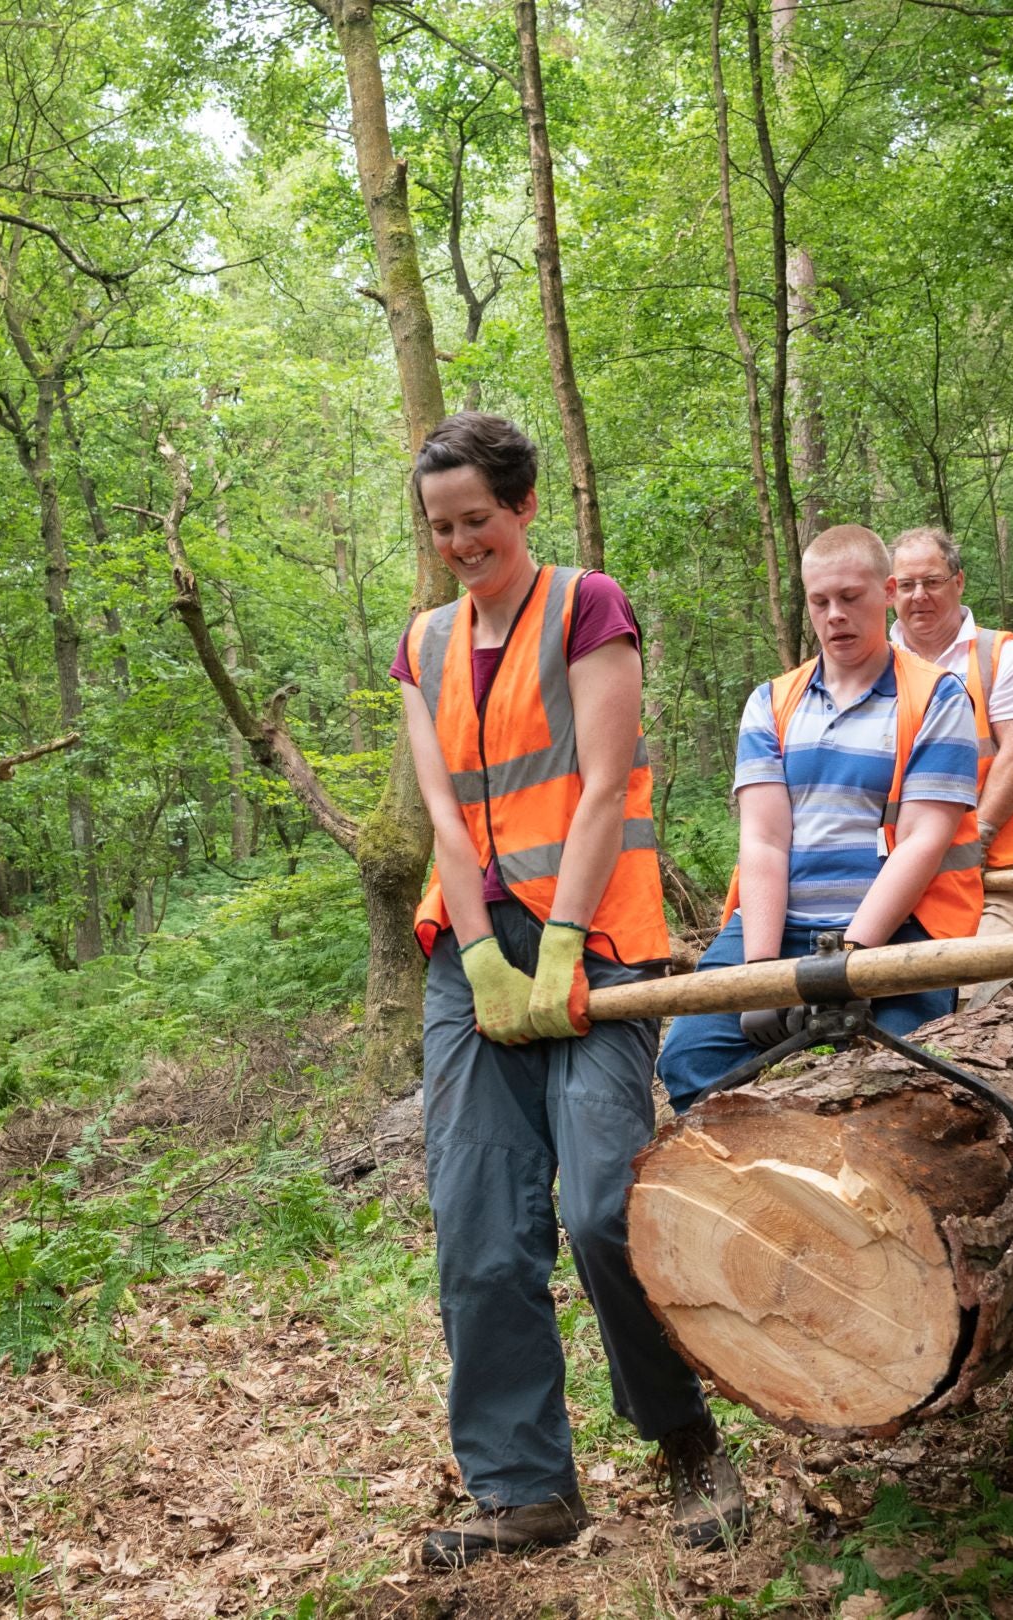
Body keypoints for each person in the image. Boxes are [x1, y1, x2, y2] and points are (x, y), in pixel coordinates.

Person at [390, 412, 747, 1567]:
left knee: (603, 1207)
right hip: (473, 959)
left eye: (478, 520)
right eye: (442, 527)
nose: (459, 543)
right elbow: (444, 813)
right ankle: (524, 1488)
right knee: (481, 1230)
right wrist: (484, 958)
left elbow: (602, 785)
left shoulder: (588, 607)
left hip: (595, 944)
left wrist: (556, 947)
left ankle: (685, 1439)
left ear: (523, 507)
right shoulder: (425, 644)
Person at [655, 523, 986, 1108]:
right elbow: (762, 841)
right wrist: (762, 973)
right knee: (690, 1061)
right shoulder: (770, 703)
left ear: (886, 594)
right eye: (820, 601)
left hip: (898, 929)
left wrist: (847, 965)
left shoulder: (938, 696)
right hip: (778, 927)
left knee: (903, 1082)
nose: (835, 615)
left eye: (850, 598)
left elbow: (922, 841)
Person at [888, 527, 1013, 1009]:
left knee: (977, 999)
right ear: (889, 591)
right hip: (900, 876)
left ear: (958, 582)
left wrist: (972, 836)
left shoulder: (1001, 655)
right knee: (894, 1003)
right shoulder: (873, 663)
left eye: (932, 581)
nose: (920, 596)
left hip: (1000, 870)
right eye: (907, 584)